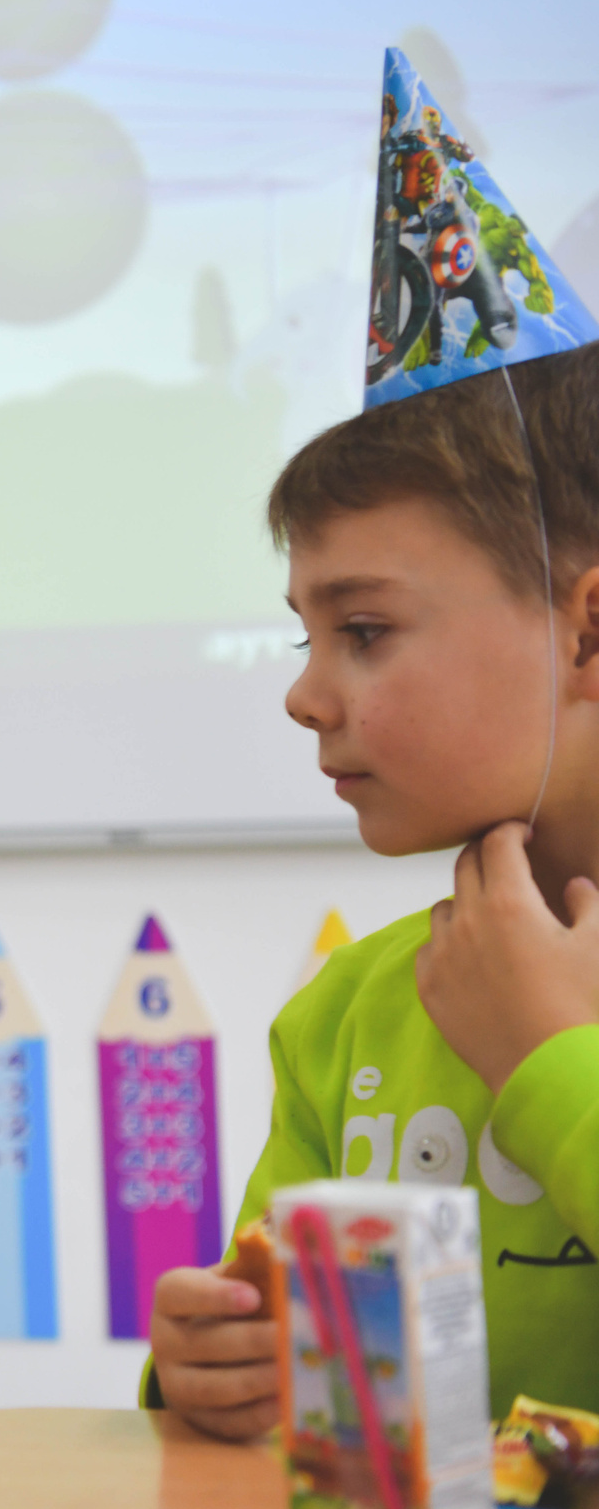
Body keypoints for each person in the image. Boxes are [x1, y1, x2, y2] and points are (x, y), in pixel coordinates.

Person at [149, 378, 599, 1435]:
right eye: (307, 638)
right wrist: (209, 1371)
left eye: (362, 628)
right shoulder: (350, 1007)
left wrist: (550, 1061)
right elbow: (285, 1382)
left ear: (586, 636)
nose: (303, 697)